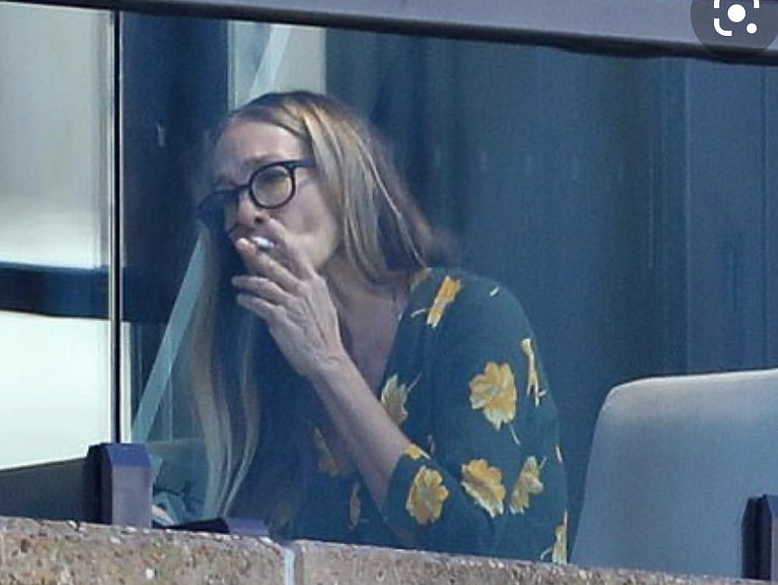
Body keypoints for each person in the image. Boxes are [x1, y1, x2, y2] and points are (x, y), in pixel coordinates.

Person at [188, 90, 568, 562]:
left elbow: (466, 547)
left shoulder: (472, 317)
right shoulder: (268, 357)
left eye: (270, 177)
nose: (246, 213)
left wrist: (329, 364)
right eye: (228, 198)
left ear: (342, 178)